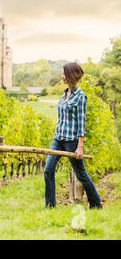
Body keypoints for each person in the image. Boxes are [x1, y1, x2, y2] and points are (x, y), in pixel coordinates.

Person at [44, 62, 102, 209]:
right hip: (58, 138)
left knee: (81, 174)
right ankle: (50, 205)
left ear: (70, 75)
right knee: (48, 170)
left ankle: (96, 203)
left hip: (71, 141)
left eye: (64, 73)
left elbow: (81, 124)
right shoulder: (65, 93)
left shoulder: (81, 97)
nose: (61, 76)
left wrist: (80, 146)